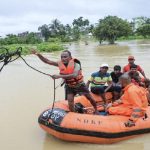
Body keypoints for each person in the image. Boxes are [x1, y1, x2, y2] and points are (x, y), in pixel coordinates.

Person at [31, 49, 97, 113]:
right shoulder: (60, 63)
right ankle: (73, 114)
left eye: (65, 57)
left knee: (90, 98)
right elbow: (47, 61)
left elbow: (74, 75)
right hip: (69, 86)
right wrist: (38, 55)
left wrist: (59, 76)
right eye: (62, 57)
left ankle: (96, 110)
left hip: (80, 85)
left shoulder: (76, 64)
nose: (63, 58)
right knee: (70, 101)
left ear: (70, 57)